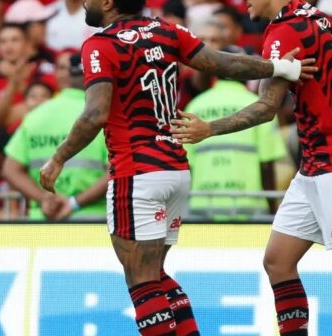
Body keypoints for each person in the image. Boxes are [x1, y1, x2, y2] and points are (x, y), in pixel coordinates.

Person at [38, 0, 314, 334]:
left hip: (136, 172)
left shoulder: (99, 45)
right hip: (175, 169)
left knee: (141, 280)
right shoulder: (167, 31)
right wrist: (277, 68)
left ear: (109, 3)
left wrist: (58, 159)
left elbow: (95, 113)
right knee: (154, 275)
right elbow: (222, 63)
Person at [171, 1, 332, 335]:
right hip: (315, 164)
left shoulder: (283, 32)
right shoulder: (315, 17)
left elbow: (267, 108)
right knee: (278, 261)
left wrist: (210, 129)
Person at [185, 47, 288, 220]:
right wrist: (272, 211)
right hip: (249, 207)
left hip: (202, 206)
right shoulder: (259, 107)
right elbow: (267, 165)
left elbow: (187, 163)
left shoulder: (195, 106)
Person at [4, 53, 108, 220]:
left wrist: (44, 199)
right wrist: (74, 203)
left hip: (44, 219)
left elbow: (10, 169)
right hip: (91, 219)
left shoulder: (35, 115)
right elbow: (115, 170)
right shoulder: (103, 115)